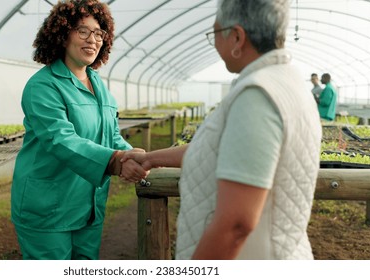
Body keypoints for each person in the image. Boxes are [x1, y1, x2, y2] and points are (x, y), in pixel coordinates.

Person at [122, 0, 322, 259]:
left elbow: (236, 224)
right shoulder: (287, 81)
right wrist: (150, 158)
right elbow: (220, 149)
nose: (214, 43)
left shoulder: (258, 95)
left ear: (237, 37)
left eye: (215, 34)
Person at [10, 0, 148, 260]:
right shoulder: (43, 86)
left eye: (98, 33)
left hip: (88, 205)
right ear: (62, 34)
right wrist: (115, 161)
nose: (92, 40)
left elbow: (111, 136)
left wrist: (138, 157)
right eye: (83, 31)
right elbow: (60, 140)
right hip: (48, 208)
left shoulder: (98, 84)